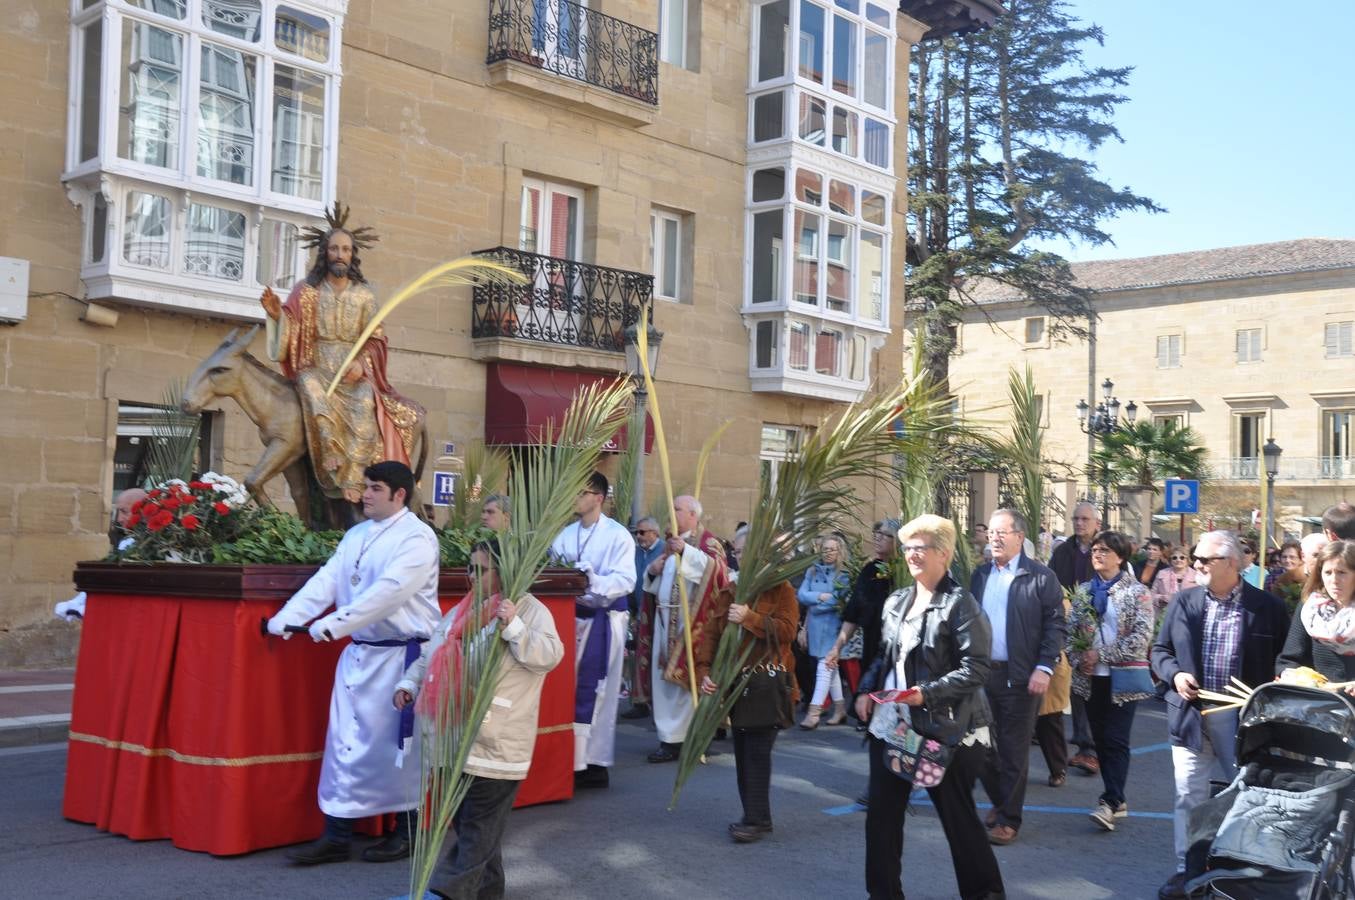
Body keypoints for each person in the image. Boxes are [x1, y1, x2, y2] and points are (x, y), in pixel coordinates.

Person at [265, 460, 440, 865]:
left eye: (376, 488)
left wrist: (331, 626)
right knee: (344, 745)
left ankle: (407, 832)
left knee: (399, 749)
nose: (365, 495)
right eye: (366, 487)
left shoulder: (418, 539)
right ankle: (337, 836)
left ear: (400, 494)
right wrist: (287, 619)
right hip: (359, 653)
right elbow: (328, 579)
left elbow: (387, 593)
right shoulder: (358, 533)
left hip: (401, 659)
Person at [391, 539, 563, 900]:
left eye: (481, 569)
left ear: (505, 571)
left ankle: (443, 893)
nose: (472, 576)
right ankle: (487, 894)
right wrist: (410, 682)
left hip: (495, 741)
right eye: (470, 568)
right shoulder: (464, 610)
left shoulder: (529, 609)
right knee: (475, 830)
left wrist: (514, 625)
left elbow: (550, 654)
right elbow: (432, 652)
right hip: (453, 738)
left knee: (477, 828)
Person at [856, 515, 1004, 900]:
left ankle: (985, 894)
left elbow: (977, 669)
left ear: (945, 553)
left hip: (946, 729)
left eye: (921, 547)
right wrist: (865, 689)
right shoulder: (896, 600)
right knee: (882, 820)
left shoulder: (960, 604)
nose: (912, 554)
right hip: (893, 727)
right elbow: (883, 656)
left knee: (959, 822)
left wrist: (928, 694)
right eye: (908, 547)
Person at [1150, 530, 1289, 899]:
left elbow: (1285, 663)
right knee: (1188, 795)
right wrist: (1175, 674)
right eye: (1194, 559)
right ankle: (1186, 870)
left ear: (1230, 563)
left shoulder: (1268, 608)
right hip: (1190, 714)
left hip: (1241, 719)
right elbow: (1159, 651)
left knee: (1245, 795)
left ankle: (1241, 868)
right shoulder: (1183, 602)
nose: (1195, 565)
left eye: (1203, 560)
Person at [261, 215, 423, 509]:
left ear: (352, 255)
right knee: (309, 386)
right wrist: (276, 316)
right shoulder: (306, 291)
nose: (340, 255)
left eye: (346, 250)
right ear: (325, 252)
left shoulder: (364, 295)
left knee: (364, 403)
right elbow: (292, 328)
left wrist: (361, 364)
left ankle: (353, 477)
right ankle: (329, 453)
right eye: (334, 249)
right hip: (318, 367)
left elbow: (376, 339)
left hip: (353, 374)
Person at [972, 508, 1065, 845]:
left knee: (1012, 750)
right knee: (982, 747)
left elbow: (1056, 626)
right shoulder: (980, 575)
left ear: (1019, 537)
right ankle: (1001, 800)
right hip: (983, 676)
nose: (994, 538)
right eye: (991, 532)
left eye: (1002, 532)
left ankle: (1009, 818)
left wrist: (1044, 667)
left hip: (1021, 677)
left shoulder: (1041, 577)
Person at [548, 471, 636, 788]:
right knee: (568, 689)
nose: (575, 497)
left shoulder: (618, 536)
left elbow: (626, 580)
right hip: (569, 619)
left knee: (600, 692)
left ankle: (595, 763)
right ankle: (570, 758)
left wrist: (593, 580)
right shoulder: (565, 534)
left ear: (598, 498)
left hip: (603, 620)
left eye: (580, 492)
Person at [696, 579, 799, 843]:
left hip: (767, 684)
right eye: (739, 551)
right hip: (736, 685)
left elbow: (788, 632)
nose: (742, 555)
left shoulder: (781, 587)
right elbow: (712, 634)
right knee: (743, 752)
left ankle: (755, 820)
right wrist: (704, 671)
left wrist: (749, 618)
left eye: (745, 549)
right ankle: (757, 817)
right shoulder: (730, 589)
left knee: (756, 752)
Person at [1066, 530, 1155, 832]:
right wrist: (1080, 659)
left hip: (1123, 677)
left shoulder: (1137, 592)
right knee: (1101, 740)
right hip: (1091, 679)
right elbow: (1072, 634)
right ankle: (1117, 798)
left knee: (1116, 739)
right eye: (1094, 550)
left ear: (1121, 556)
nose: (1098, 554)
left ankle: (1110, 801)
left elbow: (1141, 638)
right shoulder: (1083, 591)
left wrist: (1100, 654)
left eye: (1104, 550)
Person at [639, 495, 728, 763]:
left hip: (693, 623)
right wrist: (653, 571)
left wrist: (686, 552)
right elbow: (656, 582)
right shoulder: (669, 543)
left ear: (693, 514)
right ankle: (669, 739)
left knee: (687, 684)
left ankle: (690, 737)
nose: (672, 512)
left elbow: (719, 573)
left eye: (677, 508)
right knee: (664, 682)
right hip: (665, 618)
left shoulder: (708, 542)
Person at [1048, 501, 1101, 777]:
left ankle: (1096, 745)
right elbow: (1051, 584)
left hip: (1100, 628)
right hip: (1070, 625)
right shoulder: (1062, 551)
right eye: (1076, 518)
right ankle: (1086, 748)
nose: (1079, 523)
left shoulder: (1106, 549)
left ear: (1097, 523)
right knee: (1077, 687)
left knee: (1097, 687)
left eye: (1085, 519)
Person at [825, 519, 902, 706]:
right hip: (872, 648)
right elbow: (853, 612)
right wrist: (837, 646)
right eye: (877, 533)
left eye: (885, 535)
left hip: (899, 654)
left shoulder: (904, 572)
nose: (878, 537)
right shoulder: (870, 571)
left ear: (898, 541)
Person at [55, 487, 147, 621]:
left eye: (124, 511)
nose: (120, 519)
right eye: (118, 512)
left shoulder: (155, 544)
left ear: (143, 511)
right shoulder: (126, 543)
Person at [1276, 540, 1355, 683]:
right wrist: (1291, 676)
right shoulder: (1311, 608)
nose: (1334, 580)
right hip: (1319, 700)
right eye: (1328, 573)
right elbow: (1289, 659)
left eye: (1342, 573)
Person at [797, 533, 852, 729]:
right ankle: (840, 709)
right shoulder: (812, 571)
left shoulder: (844, 574)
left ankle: (814, 713)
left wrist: (816, 604)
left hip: (832, 627)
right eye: (825, 549)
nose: (828, 553)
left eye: (832, 549)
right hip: (814, 627)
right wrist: (820, 596)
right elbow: (801, 595)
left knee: (825, 666)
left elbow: (838, 599)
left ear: (840, 552)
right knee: (832, 668)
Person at [622, 516, 664, 720]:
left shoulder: (665, 551)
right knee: (638, 659)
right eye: (636, 533)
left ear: (655, 533)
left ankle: (657, 702)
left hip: (658, 614)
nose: (638, 537)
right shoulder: (636, 553)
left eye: (642, 532)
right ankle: (639, 702)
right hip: (639, 612)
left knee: (656, 659)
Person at [1151, 546, 1198, 620]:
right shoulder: (1162, 573)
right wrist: (1161, 599)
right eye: (1174, 558)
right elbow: (1152, 595)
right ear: (1170, 560)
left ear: (1187, 560)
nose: (1178, 560)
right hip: (1165, 616)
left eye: (1182, 557)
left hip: (1189, 617)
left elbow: (1200, 598)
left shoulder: (1196, 575)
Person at [1265, 540, 1305, 614]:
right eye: (1284, 557)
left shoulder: (1307, 578)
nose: (1287, 560)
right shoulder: (1273, 577)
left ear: (1301, 559)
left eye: (1292, 557)